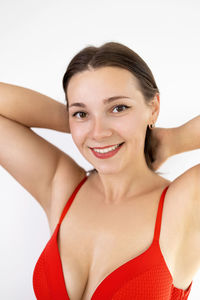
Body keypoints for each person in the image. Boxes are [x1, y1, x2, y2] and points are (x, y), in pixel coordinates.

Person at [0, 41, 199, 300]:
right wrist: (77, 119)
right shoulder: (62, 186)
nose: (99, 132)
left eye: (118, 108)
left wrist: (173, 140)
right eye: (82, 113)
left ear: (154, 108)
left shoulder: (184, 201)